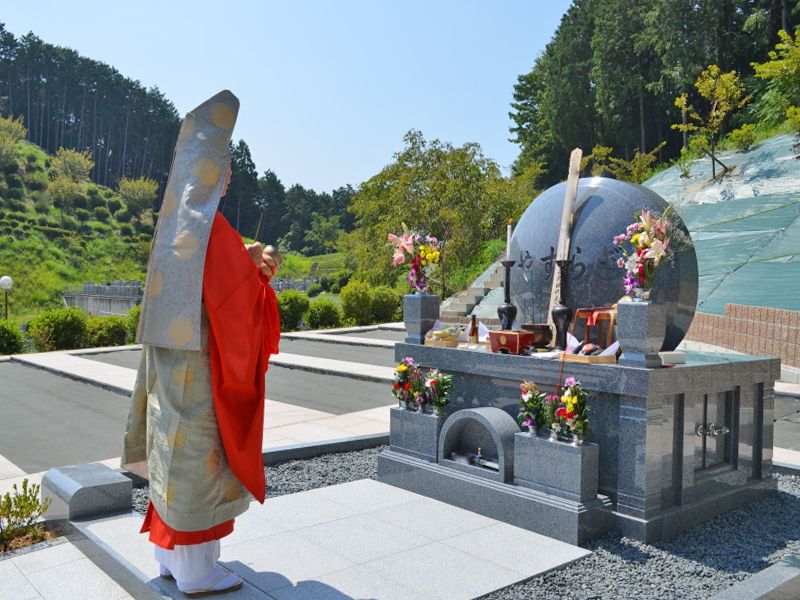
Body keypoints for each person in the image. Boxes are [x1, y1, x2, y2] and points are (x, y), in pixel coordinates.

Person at [122, 91, 281, 596]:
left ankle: (168, 556)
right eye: (224, 168)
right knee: (195, 456)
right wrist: (258, 270)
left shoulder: (177, 219)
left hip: (168, 358)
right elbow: (233, 293)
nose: (228, 176)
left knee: (169, 446)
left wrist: (251, 261)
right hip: (200, 364)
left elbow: (221, 272)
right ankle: (196, 571)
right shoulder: (208, 224)